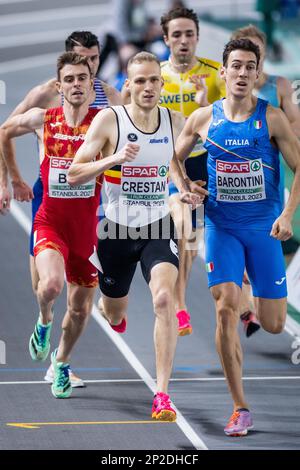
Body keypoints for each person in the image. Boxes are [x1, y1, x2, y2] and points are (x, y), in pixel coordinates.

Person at [67, 51, 205, 420]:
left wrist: (183, 188)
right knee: (114, 314)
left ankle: (162, 395)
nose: (146, 87)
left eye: (152, 80)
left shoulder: (173, 120)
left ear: (162, 84)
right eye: (139, 80)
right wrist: (111, 160)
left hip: (158, 225)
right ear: (128, 85)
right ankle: (111, 309)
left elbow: (173, 165)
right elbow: (75, 173)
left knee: (164, 301)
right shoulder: (110, 121)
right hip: (115, 229)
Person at [175, 38, 300, 436]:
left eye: (251, 67)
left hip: (264, 230)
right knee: (224, 305)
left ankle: (253, 304)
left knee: (275, 324)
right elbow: (173, 161)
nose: (243, 73)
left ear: (258, 73)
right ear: (223, 72)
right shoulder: (203, 119)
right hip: (222, 226)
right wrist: (185, 187)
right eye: (236, 66)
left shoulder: (273, 118)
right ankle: (240, 407)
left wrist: (286, 214)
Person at [0, 31, 122, 387]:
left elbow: (140, 136)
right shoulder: (43, 112)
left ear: (92, 77)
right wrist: (12, 181)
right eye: (70, 78)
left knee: (81, 308)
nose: (78, 83)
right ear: (60, 84)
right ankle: (43, 321)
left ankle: (62, 362)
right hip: (49, 214)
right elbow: (5, 130)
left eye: (84, 76)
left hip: (88, 224)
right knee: (49, 286)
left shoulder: (107, 116)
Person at [159, 7, 226, 335]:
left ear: (198, 37)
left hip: (204, 163)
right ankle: (180, 304)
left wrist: (203, 105)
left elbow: (231, 120)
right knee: (183, 226)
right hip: (168, 164)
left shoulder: (217, 74)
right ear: (166, 39)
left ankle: (239, 306)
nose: (183, 40)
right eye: (177, 34)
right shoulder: (153, 77)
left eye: (189, 34)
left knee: (194, 239)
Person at [231, 24, 300, 332]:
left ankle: (261, 298)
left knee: (278, 241)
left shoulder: (279, 85)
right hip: (235, 184)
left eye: (256, 52)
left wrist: (271, 129)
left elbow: (295, 127)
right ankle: (249, 305)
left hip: (271, 179)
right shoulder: (229, 88)